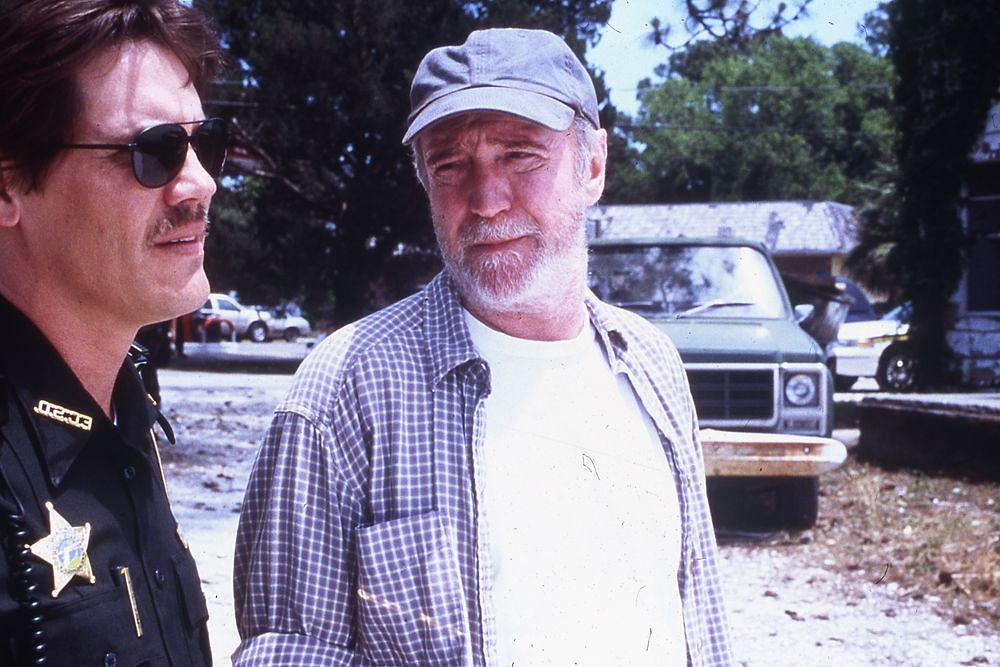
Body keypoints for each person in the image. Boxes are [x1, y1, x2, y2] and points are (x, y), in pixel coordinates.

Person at [234, 28, 733, 666]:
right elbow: (287, 653)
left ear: (593, 167)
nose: (487, 201)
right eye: (449, 166)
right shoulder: (348, 385)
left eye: (520, 155)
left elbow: (700, 617)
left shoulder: (653, 363)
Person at [0, 1, 226, 664]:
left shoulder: (130, 414)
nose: (202, 183)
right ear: (8, 187)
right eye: (154, 151)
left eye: (202, 144)